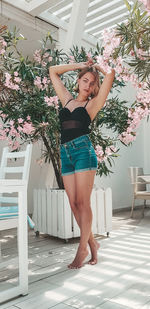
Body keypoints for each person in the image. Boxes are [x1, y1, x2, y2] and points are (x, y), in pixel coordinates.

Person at [49, 59, 115, 269]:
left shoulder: (92, 104)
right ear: (78, 81)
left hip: (83, 153)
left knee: (83, 203)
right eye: (85, 80)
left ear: (95, 87)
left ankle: (82, 248)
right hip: (65, 153)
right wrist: (80, 65)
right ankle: (93, 243)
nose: (88, 85)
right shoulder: (67, 100)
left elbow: (111, 74)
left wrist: (97, 67)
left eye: (92, 83)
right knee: (73, 203)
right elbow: (53, 71)